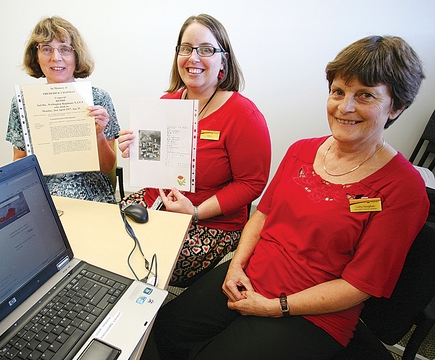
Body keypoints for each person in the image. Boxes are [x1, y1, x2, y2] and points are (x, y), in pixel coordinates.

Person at [141, 35, 429, 360]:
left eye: (365, 96)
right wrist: (235, 267)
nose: (345, 107)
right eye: (338, 92)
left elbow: (359, 285)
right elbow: (261, 216)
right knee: (158, 332)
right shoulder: (301, 151)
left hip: (312, 312)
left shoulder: (402, 190)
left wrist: (275, 307)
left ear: (398, 106)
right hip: (248, 276)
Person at [118, 14, 271, 287]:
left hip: (210, 222)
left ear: (223, 61)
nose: (193, 57)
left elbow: (252, 183)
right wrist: (136, 150)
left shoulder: (243, 114)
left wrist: (196, 212)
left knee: (146, 259)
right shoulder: (167, 102)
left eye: (206, 50)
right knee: (108, 238)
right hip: (159, 201)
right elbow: (159, 161)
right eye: (186, 48)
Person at [6, 16, 120, 204]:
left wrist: (98, 135)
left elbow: (107, 167)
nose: (55, 58)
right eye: (46, 49)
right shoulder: (22, 102)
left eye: (65, 49)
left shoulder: (98, 99)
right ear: (36, 56)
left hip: (90, 190)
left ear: (76, 56)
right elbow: (19, 160)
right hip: (42, 189)